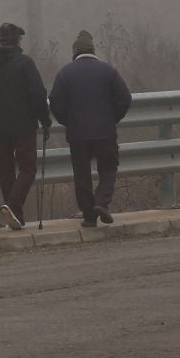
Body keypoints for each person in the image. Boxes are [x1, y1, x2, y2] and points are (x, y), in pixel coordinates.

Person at [48, 29, 133, 227]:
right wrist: (113, 118)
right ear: (93, 50)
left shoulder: (65, 73)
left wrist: (67, 121)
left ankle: (89, 217)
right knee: (109, 168)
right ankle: (101, 202)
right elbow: (124, 99)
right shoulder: (108, 71)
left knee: (82, 175)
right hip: (105, 131)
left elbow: (55, 103)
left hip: (77, 134)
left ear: (75, 52)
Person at [0, 21, 50, 229]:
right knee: (28, 168)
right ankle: (12, 204)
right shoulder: (25, 63)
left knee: (5, 170)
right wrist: (45, 120)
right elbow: (38, 94)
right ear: (18, 40)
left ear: (0, 40)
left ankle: (15, 216)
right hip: (24, 125)